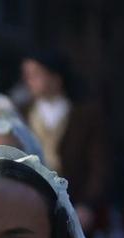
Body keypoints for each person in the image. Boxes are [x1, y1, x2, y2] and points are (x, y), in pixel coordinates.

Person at [21, 51, 108, 228]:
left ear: (55, 78)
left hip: (71, 201)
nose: (28, 80)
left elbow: (99, 165)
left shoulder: (84, 115)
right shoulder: (22, 113)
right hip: (28, 201)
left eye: (36, 74)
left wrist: (88, 204)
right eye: (26, 75)